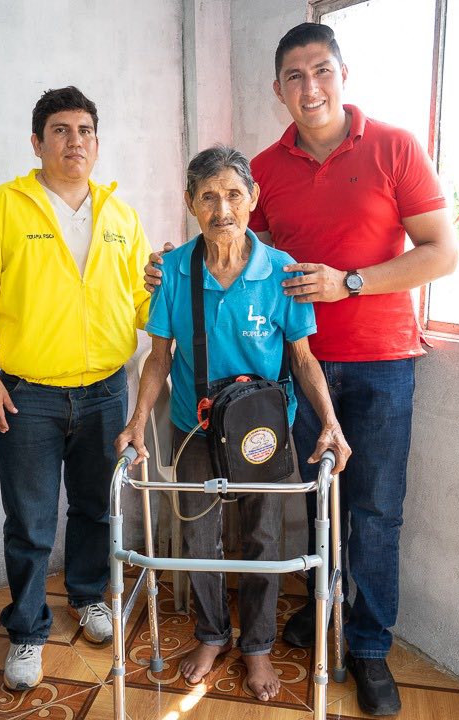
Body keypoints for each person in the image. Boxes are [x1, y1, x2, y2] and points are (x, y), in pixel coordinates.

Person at [145, 24, 457, 716]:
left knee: (372, 510)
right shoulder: (263, 169)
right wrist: (170, 266)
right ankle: (313, 616)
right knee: (306, 511)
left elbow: (442, 252)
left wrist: (350, 283)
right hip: (284, 379)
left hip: (377, 361)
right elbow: (232, 252)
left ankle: (367, 648)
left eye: (322, 70)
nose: (310, 87)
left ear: (343, 74)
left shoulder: (395, 148)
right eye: (294, 75)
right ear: (278, 88)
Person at [115, 145, 351, 702]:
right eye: (208, 197)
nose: (222, 209)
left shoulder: (282, 272)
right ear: (190, 203)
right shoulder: (174, 271)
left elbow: (303, 357)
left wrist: (330, 422)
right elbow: (159, 357)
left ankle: (259, 646)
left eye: (233, 195)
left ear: (253, 199)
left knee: (263, 537)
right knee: (200, 536)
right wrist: (137, 420)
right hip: (195, 427)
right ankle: (212, 634)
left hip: (263, 433)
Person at [0, 86, 152, 692]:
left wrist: (166, 285)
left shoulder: (121, 217)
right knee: (30, 520)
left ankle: (88, 596)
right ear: (37, 143)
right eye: (61, 130)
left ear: (97, 142)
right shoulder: (1, 207)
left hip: (105, 391)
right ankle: (27, 631)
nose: (75, 141)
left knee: (95, 507)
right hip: (27, 394)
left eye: (85, 130)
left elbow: (140, 303)